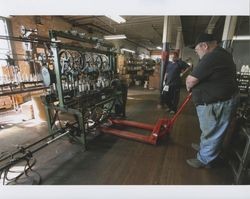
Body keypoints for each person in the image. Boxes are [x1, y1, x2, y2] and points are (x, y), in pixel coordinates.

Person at [185, 33, 239, 168]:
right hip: (216, 101)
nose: (197, 53)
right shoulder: (220, 55)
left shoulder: (213, 56)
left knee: (213, 131)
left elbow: (191, 80)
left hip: (217, 103)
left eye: (197, 50)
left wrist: (189, 86)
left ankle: (204, 159)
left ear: (204, 46)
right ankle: (205, 148)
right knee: (210, 130)